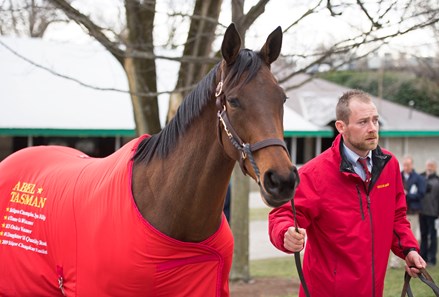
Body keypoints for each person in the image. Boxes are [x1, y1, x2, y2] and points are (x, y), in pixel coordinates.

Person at [269, 90, 426, 297]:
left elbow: (396, 217)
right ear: (341, 127)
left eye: (375, 120)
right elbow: (282, 215)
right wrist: (285, 233)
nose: (372, 129)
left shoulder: (390, 165)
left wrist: (408, 250)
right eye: (363, 122)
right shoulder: (314, 173)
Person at [402, 155, 426, 240]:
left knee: (411, 236)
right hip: (400, 213)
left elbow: (421, 194)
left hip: (412, 211)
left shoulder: (418, 178)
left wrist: (408, 195)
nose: (406, 167)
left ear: (412, 165)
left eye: (408, 165)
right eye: (404, 165)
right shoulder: (398, 176)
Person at [420, 159, 439, 266]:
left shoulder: (437, 180)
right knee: (423, 236)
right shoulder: (421, 177)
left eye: (431, 165)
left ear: (435, 167)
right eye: (428, 165)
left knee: (432, 236)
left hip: (433, 214)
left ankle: (432, 259)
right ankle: (423, 257)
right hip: (422, 212)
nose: (429, 167)